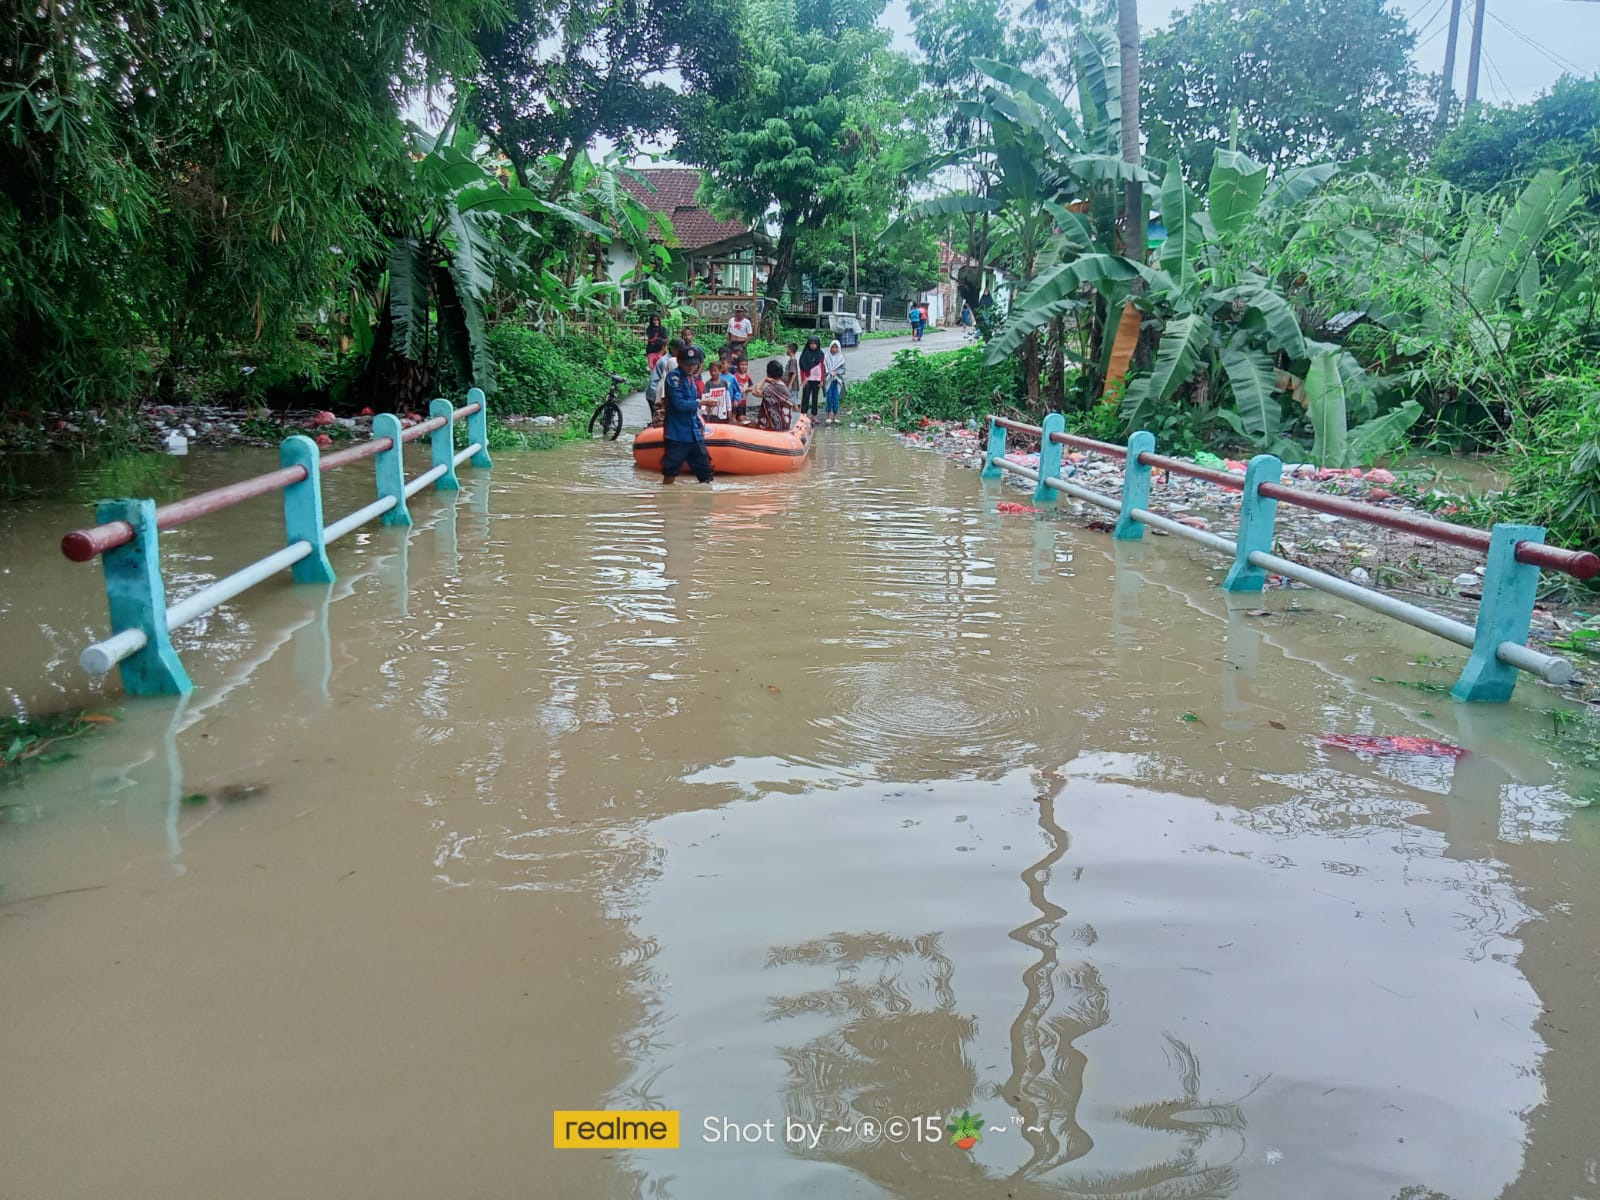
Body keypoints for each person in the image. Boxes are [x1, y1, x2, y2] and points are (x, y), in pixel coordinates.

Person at [661, 357, 714, 484]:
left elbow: (692, 409)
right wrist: (701, 402)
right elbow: (678, 404)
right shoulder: (674, 378)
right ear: (679, 362)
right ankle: (665, 497)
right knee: (670, 470)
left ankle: (704, 502)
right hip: (677, 434)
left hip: (694, 434)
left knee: (705, 470)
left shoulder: (692, 379)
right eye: (687, 364)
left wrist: (699, 425)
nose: (691, 368)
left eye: (694, 365)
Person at [647, 337, 684, 424]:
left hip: (661, 391)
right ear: (673, 349)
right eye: (679, 350)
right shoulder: (667, 362)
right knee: (659, 418)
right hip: (655, 392)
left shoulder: (674, 359)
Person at [755, 360, 793, 431]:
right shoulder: (784, 386)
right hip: (786, 422)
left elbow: (755, 391)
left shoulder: (770, 389)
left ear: (768, 373)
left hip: (775, 424)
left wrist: (764, 379)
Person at [797, 335, 824, 418]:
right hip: (807, 380)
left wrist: (822, 380)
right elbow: (802, 368)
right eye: (811, 343)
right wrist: (803, 379)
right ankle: (803, 415)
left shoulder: (820, 354)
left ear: (818, 344)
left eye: (815, 343)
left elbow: (822, 367)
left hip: (817, 379)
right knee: (805, 397)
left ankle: (814, 416)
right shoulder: (804, 355)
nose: (813, 345)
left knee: (815, 398)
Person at [822, 338, 846, 427]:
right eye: (833, 347)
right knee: (829, 397)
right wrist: (829, 373)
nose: (834, 349)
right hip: (828, 380)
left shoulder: (841, 357)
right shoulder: (826, 357)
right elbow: (823, 368)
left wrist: (836, 372)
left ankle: (835, 416)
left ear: (838, 348)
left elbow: (843, 370)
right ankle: (828, 416)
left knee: (836, 398)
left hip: (837, 381)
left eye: (836, 347)